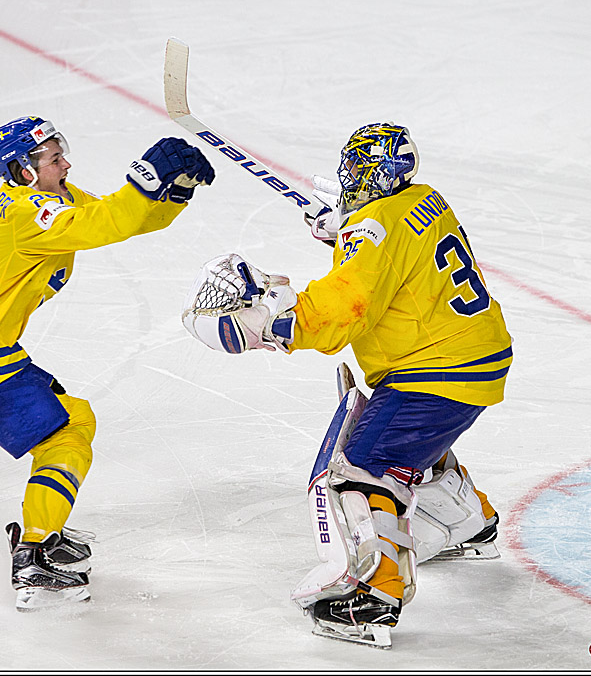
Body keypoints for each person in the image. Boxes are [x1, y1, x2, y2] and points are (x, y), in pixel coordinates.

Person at [181, 122, 511, 647]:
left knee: (362, 468)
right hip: (475, 353)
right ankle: (466, 520)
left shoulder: (373, 227)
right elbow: (395, 247)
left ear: (376, 172)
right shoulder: (424, 199)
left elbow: (347, 308)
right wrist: (347, 228)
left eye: (358, 168)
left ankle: (374, 595)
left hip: (433, 370)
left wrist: (270, 322)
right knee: (406, 442)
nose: (349, 176)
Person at [0, 116, 214, 612]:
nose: (66, 162)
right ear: (24, 171)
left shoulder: (52, 199)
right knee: (67, 432)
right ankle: (34, 554)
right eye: (53, 158)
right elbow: (104, 223)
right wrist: (147, 176)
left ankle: (41, 532)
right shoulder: (30, 212)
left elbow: (124, 218)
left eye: (61, 151)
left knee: (75, 421)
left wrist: (174, 189)